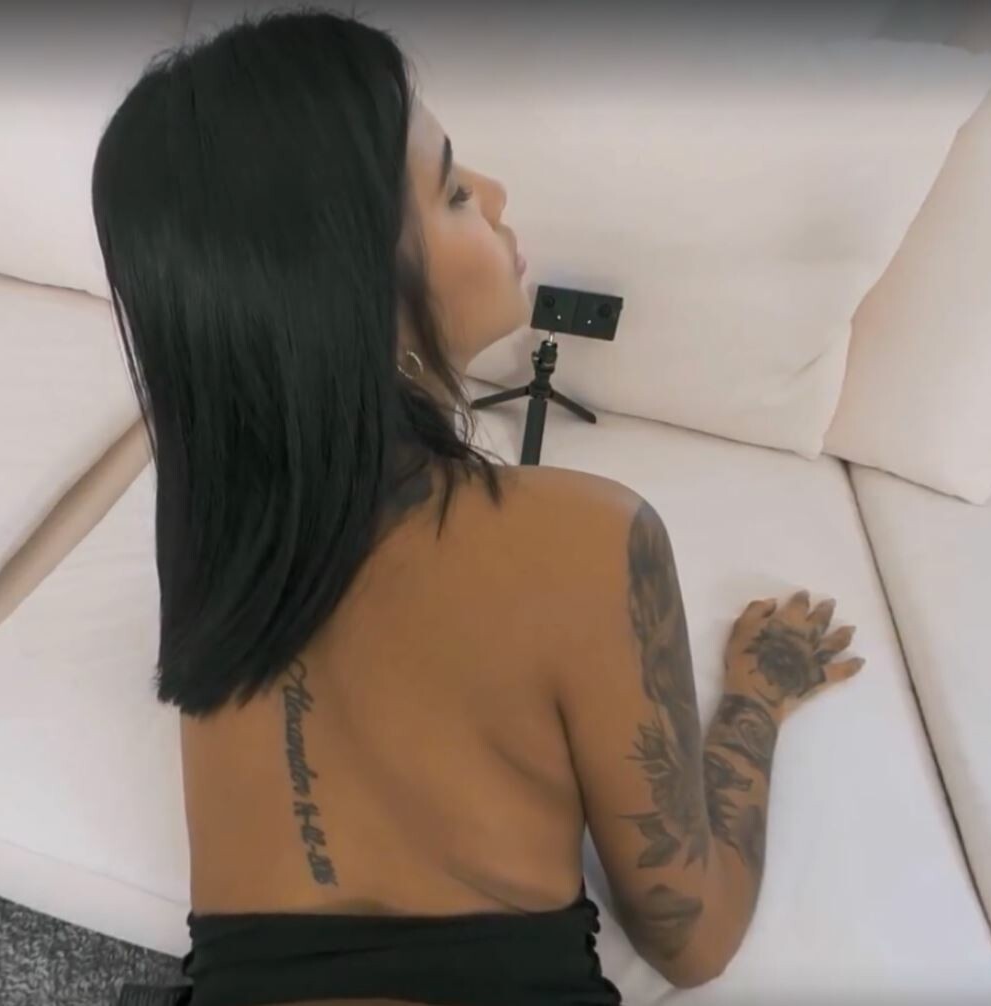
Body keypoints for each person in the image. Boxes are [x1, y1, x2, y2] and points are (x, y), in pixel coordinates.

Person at [93, 11, 866, 1005]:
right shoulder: (588, 538)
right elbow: (692, 935)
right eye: (455, 190)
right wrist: (757, 698)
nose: (497, 196)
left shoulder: (206, 518)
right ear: (353, 289)